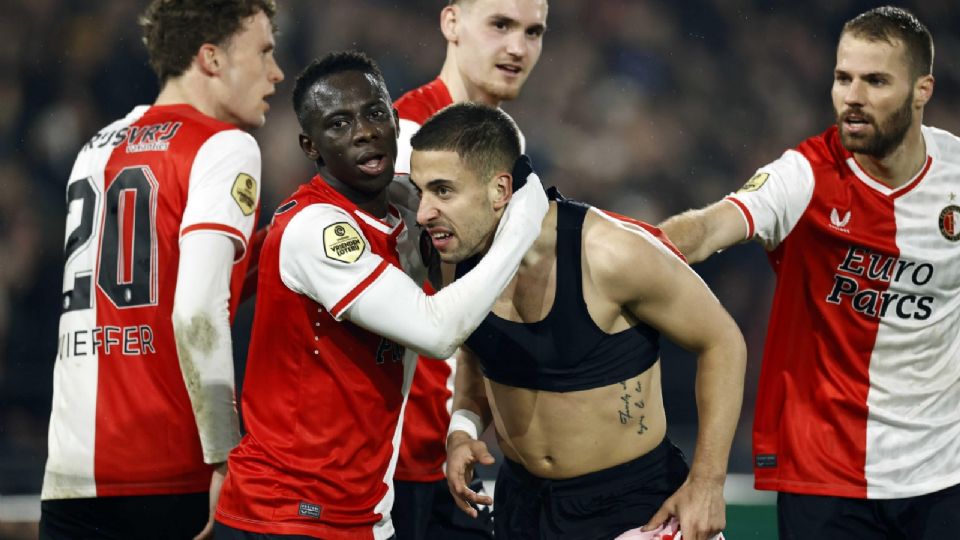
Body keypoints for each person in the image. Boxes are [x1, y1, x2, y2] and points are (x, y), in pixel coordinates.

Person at [213, 51, 547, 540]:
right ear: (311, 146)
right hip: (287, 515)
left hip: (364, 511)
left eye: (374, 114)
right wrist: (524, 216)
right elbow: (436, 331)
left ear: (395, 121)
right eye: (339, 124)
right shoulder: (317, 229)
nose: (364, 131)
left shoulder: (407, 210)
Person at [658, 6, 960, 539]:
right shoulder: (803, 175)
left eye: (875, 81)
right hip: (826, 480)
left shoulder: (957, 175)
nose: (853, 97)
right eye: (843, 78)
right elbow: (704, 231)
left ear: (922, 90)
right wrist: (605, 247)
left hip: (944, 475)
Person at [408, 102, 745, 540]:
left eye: (443, 191)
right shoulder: (452, 258)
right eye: (421, 193)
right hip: (522, 508)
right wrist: (463, 428)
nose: (424, 213)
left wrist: (707, 482)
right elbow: (477, 351)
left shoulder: (610, 253)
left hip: (636, 511)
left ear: (499, 189)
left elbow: (723, 341)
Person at [39, 1, 284, 539]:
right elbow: (196, 311)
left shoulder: (94, 149)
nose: (276, 73)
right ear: (212, 58)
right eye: (264, 51)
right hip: (169, 472)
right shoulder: (225, 146)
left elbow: (143, 294)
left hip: (69, 475)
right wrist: (225, 456)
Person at [389, 2, 547, 537]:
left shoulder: (506, 144)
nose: (518, 48)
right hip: (400, 452)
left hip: (459, 440)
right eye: (500, 25)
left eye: (533, 31)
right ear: (451, 23)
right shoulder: (405, 137)